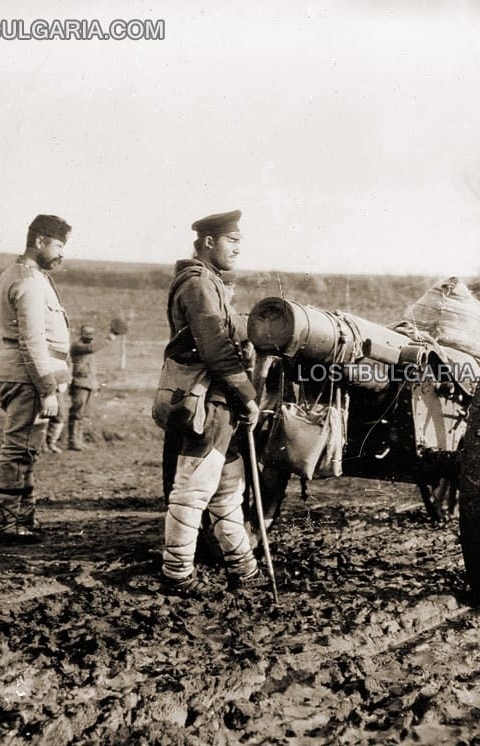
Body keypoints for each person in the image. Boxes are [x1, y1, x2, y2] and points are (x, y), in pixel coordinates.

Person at [160, 209, 263, 599]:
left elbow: (228, 333)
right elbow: (216, 349)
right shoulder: (199, 284)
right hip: (208, 400)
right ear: (208, 242)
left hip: (219, 402)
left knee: (225, 491)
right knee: (192, 490)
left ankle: (244, 567)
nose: (238, 248)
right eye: (231, 242)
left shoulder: (212, 284)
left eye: (239, 242)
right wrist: (249, 397)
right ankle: (175, 575)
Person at [0, 215, 73, 542]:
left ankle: (23, 519)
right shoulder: (28, 280)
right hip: (30, 377)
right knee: (19, 448)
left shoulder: (25, 274)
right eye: (58, 245)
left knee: (28, 448)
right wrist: (48, 387)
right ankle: (5, 524)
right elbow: (33, 341)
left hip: (27, 375)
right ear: (39, 241)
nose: (61, 253)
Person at [45, 324, 121, 452]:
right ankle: (73, 441)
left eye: (91, 334)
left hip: (89, 384)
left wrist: (96, 385)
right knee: (77, 413)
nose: (89, 336)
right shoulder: (77, 346)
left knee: (84, 414)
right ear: (82, 334)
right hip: (79, 383)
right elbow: (92, 348)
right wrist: (110, 337)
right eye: (87, 334)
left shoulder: (87, 347)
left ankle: (77, 440)